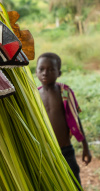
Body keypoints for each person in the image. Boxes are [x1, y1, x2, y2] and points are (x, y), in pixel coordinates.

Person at [36, 52, 92, 187]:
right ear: (36, 71)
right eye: (41, 69)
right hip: (45, 151)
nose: (45, 73)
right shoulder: (35, 95)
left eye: (51, 70)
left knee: (73, 183)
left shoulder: (65, 92)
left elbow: (75, 118)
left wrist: (85, 147)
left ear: (59, 73)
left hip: (65, 150)